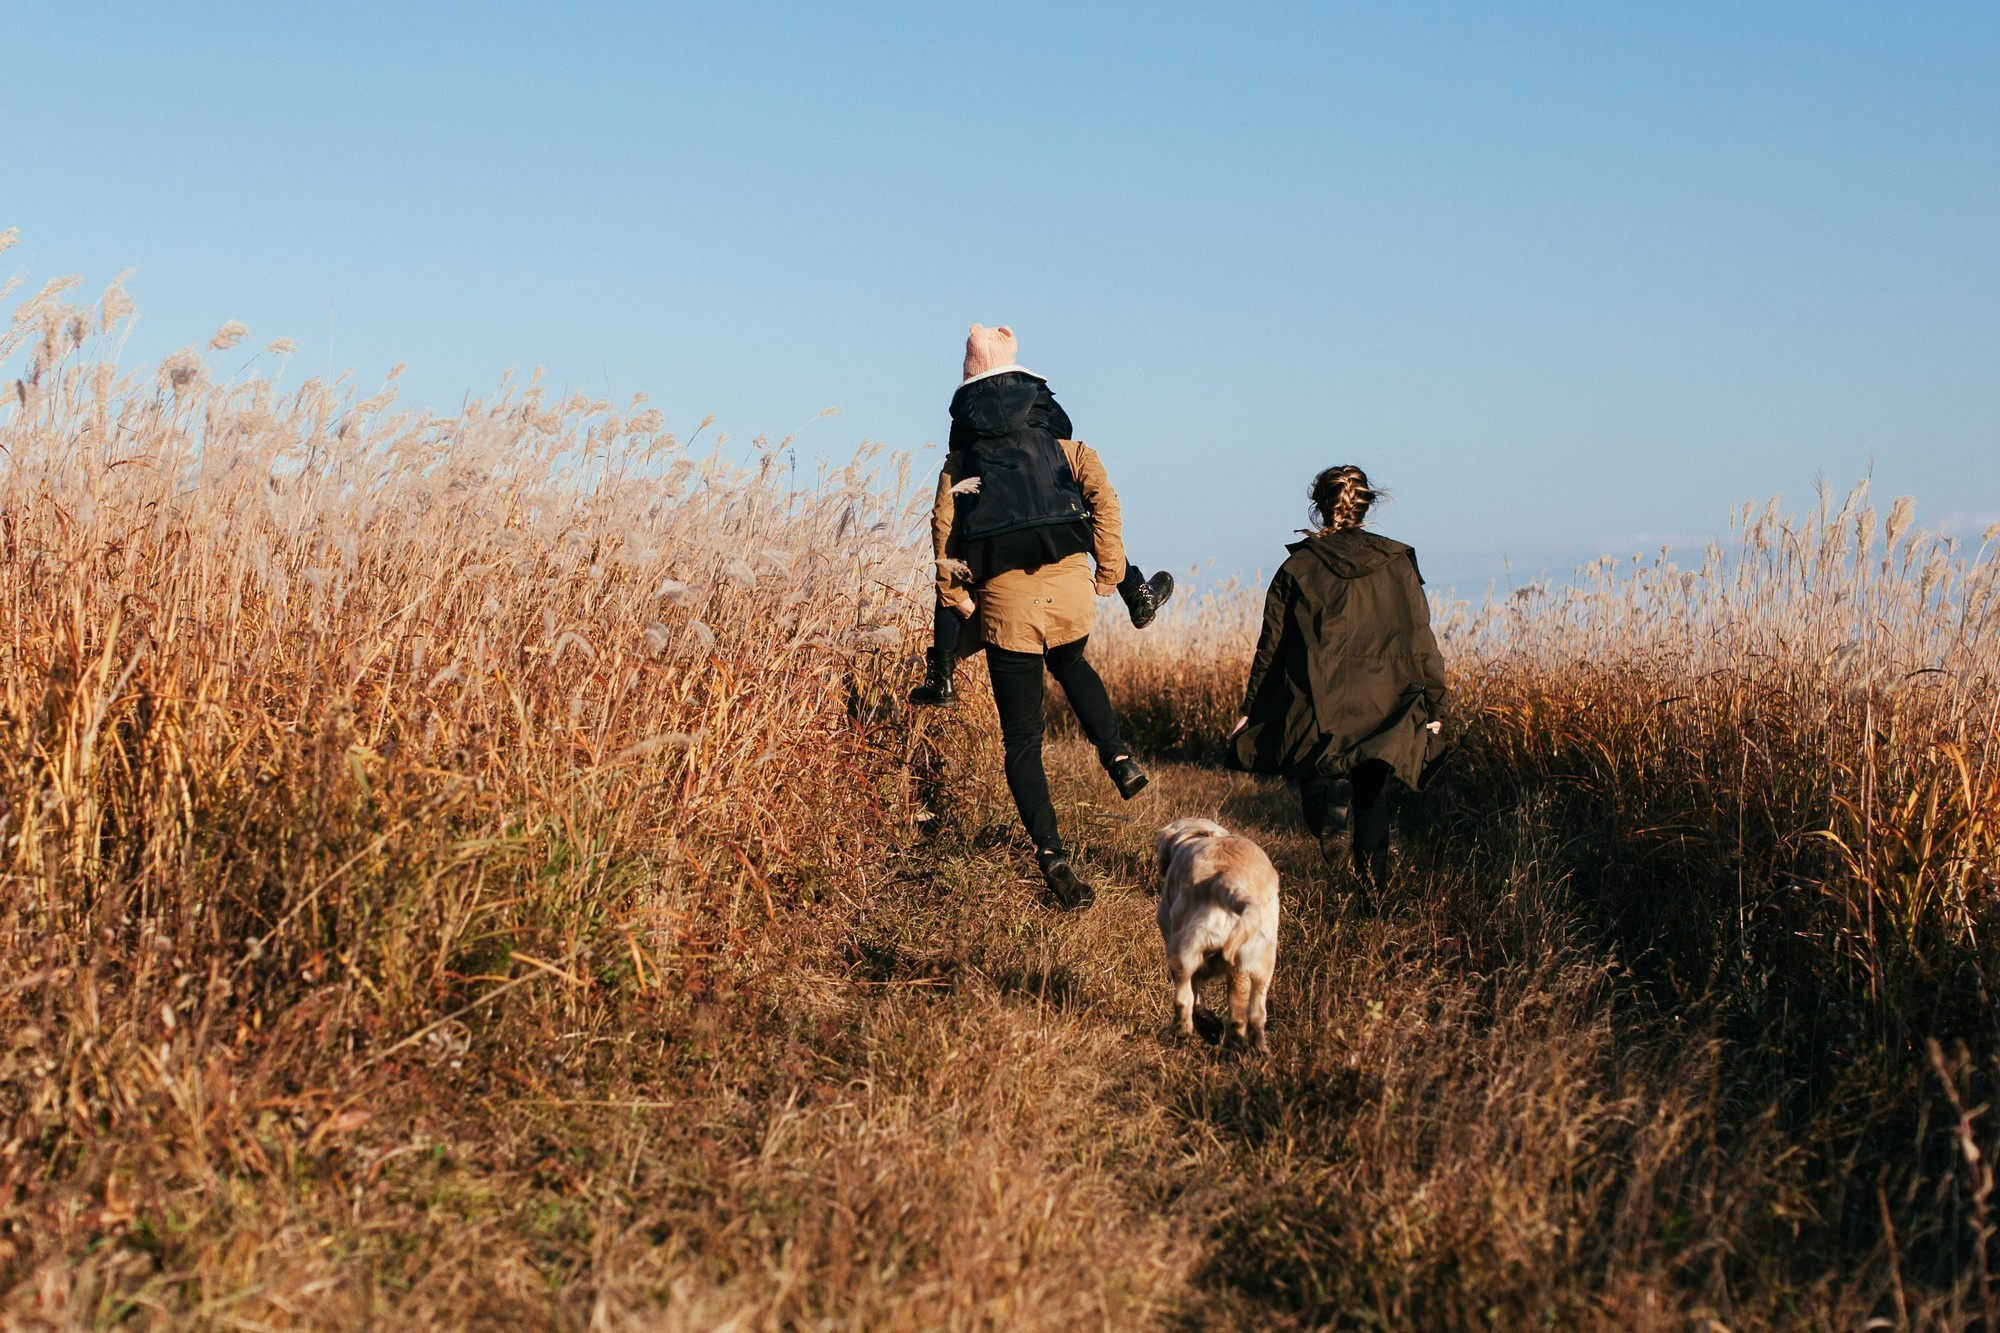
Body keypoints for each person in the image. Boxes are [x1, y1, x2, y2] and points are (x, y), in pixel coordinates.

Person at [920, 324, 1168, 908]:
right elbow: (1105, 502)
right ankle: (1119, 757)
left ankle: (1053, 858)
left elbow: (944, 539)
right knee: (1075, 664)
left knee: (1023, 741)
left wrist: (957, 602)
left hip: (1006, 608)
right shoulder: (1064, 449)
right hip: (1071, 592)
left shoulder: (961, 465)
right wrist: (1110, 572)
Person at [908, 323, 1174, 707]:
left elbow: (951, 492)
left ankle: (942, 676)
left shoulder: (964, 418)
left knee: (954, 538)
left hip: (992, 536)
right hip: (1051, 527)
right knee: (1067, 504)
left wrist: (953, 591)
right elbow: (1066, 440)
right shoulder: (1039, 400)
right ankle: (1134, 592)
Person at [1228, 466, 1449, 912]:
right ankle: (1372, 905)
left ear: (1319, 505)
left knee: (1314, 774)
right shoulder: (1398, 563)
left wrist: (1252, 707)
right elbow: (1419, 635)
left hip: (1316, 698)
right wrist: (1436, 700)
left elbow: (1271, 644)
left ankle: (1329, 803)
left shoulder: (1298, 566)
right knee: (1372, 799)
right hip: (1385, 702)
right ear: (1367, 505)